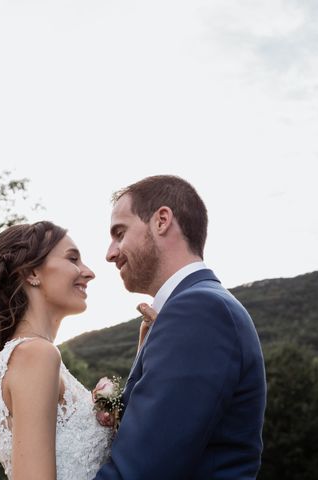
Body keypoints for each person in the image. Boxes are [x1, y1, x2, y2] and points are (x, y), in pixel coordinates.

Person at [94, 175, 267, 480]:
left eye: (120, 233)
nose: (110, 253)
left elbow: (141, 472)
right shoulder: (194, 308)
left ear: (161, 220)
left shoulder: (198, 310)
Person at [0, 221, 118, 480]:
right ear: (32, 273)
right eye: (73, 259)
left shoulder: (21, 356)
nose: (88, 272)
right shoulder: (37, 354)